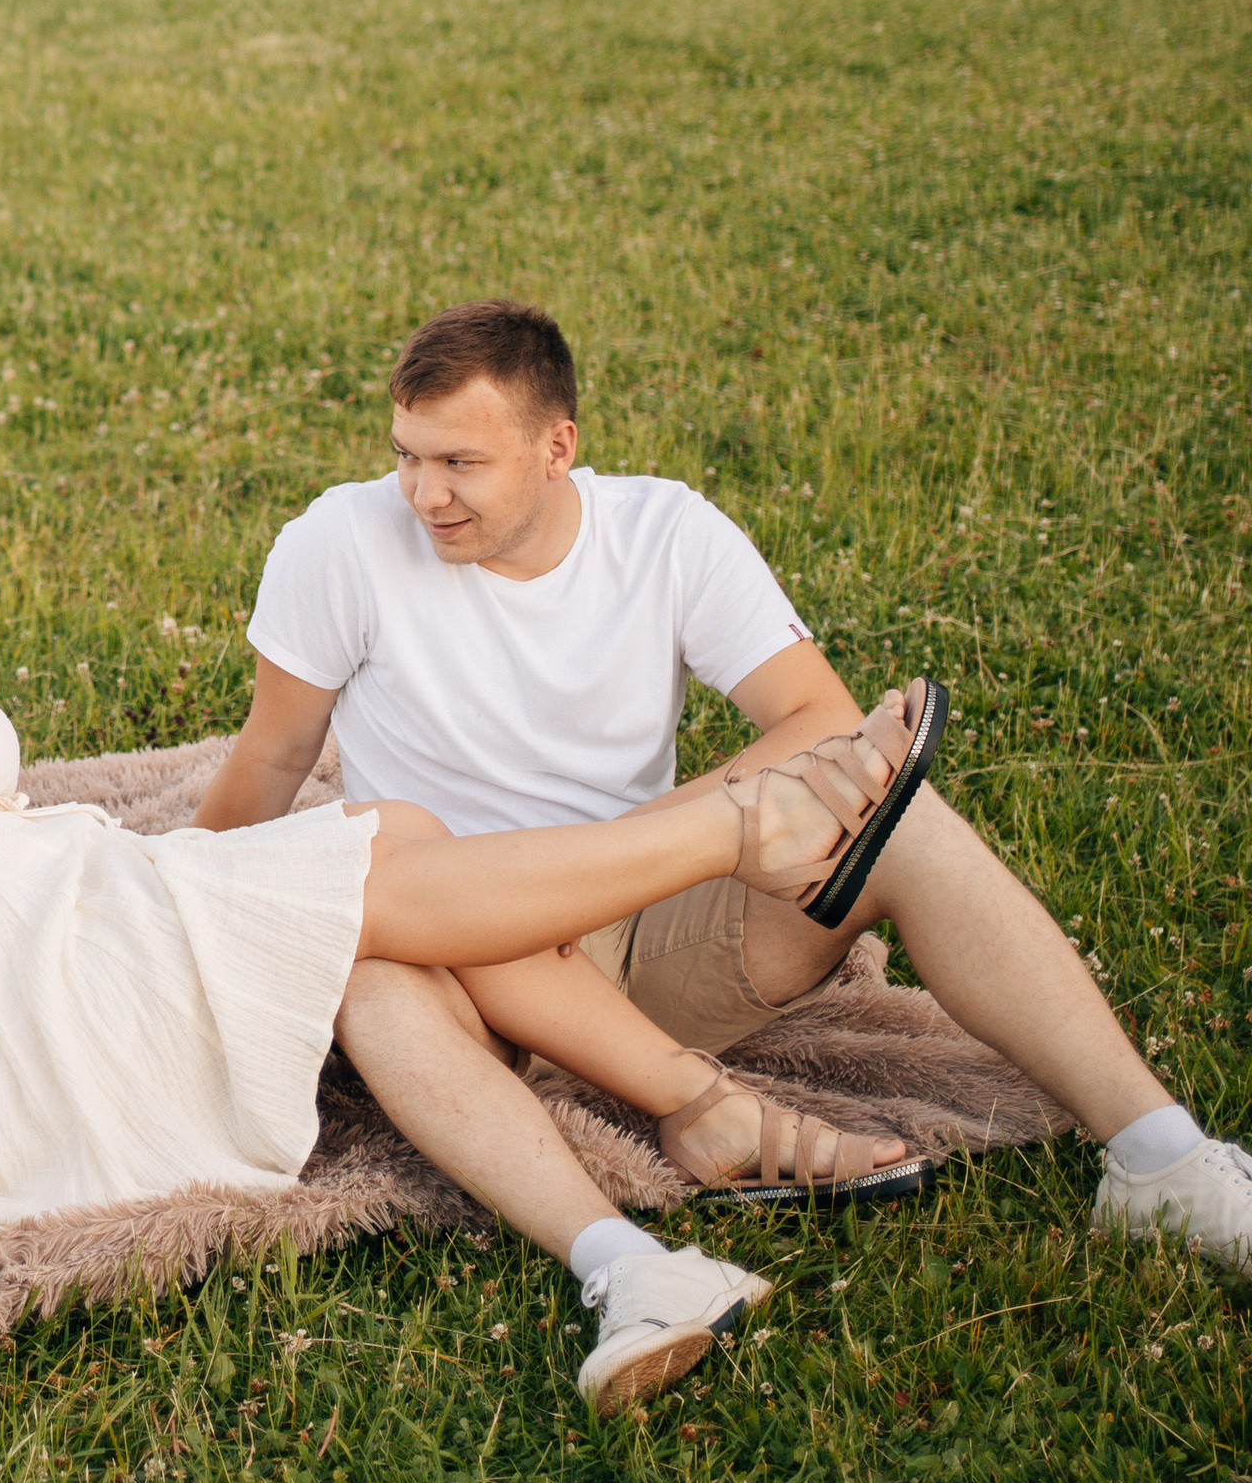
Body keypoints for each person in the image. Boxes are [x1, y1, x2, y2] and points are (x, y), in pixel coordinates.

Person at [0, 418, 944, 1416]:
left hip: (45, 915)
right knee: (381, 870)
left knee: (385, 884)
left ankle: (631, 1259)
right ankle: (743, 828)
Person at [196, 296, 1252, 1268]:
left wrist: (626, 853)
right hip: (456, 957)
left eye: (460, 462)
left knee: (904, 822)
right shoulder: (338, 540)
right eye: (406, 458)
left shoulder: (665, 534)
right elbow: (274, 757)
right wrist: (183, 911)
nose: (426, 494)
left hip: (648, 923)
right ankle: (621, 1255)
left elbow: (821, 720)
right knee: (372, 959)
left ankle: (1159, 1157)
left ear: (557, 447)